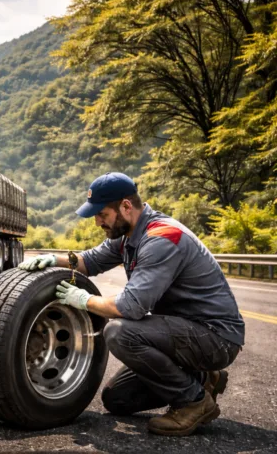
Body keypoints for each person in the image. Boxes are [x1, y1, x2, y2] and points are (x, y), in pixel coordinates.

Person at [19, 172, 244, 436]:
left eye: (102, 214)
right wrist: (54, 260)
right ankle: (205, 379)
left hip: (215, 336)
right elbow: (89, 261)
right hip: (183, 331)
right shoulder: (128, 235)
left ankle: (193, 401)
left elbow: (129, 307)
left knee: (118, 331)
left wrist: (84, 300)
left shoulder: (162, 238)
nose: (97, 222)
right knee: (117, 399)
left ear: (126, 206)